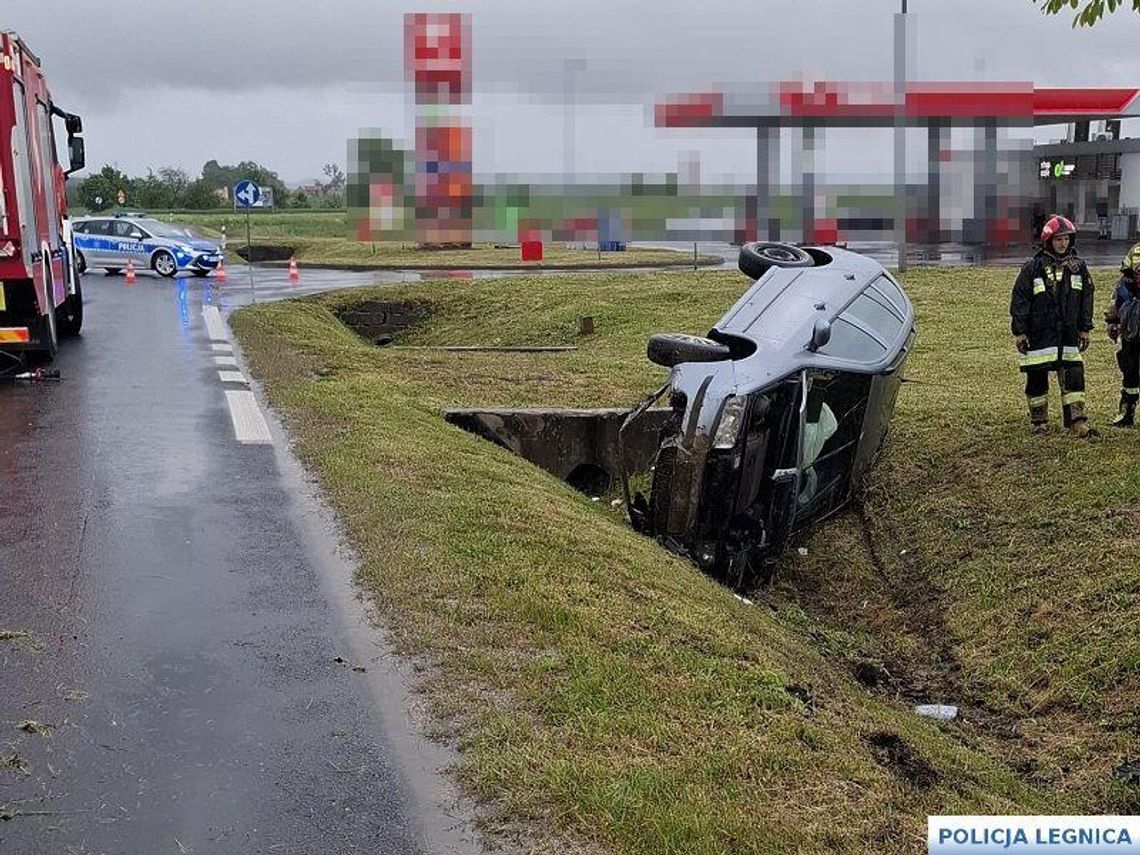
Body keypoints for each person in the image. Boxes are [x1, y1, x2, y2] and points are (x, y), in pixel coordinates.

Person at [1010, 214, 1096, 437]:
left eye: (1066, 239)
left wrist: (1084, 328)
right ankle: (1039, 421)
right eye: (1058, 239)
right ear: (1048, 241)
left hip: (1068, 334)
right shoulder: (1033, 268)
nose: (1063, 244)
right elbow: (1020, 300)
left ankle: (1077, 421)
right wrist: (1020, 332)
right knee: (1036, 378)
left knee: (1074, 375)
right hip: (1040, 334)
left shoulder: (1079, 268)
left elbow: (1086, 299)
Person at [1105, 243, 1140, 427]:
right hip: (1131, 332)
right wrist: (1112, 321)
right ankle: (1126, 412)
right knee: (1129, 368)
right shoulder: (1126, 283)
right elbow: (1117, 298)